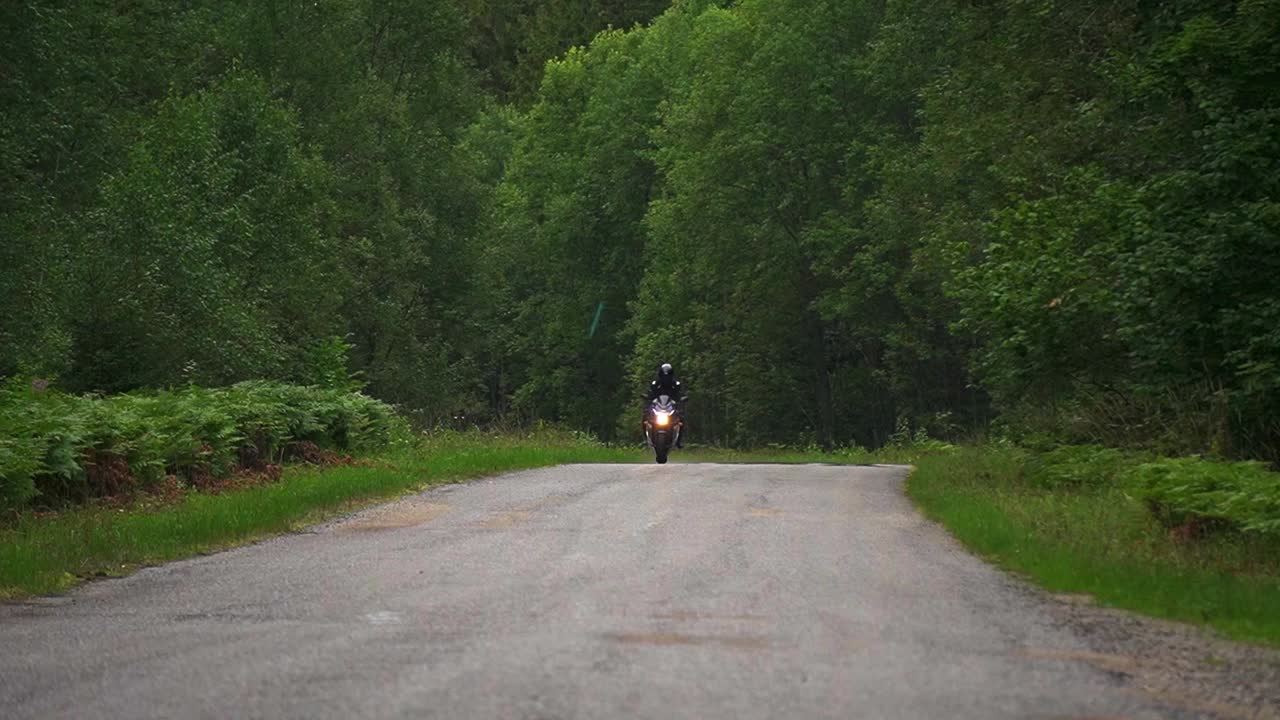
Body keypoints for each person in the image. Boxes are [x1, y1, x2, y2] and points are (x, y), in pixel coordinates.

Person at [647, 363, 686, 448]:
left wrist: (681, 401)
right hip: (659, 406)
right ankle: (646, 438)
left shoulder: (676, 384)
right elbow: (651, 394)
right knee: (646, 418)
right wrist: (648, 399)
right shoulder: (656, 384)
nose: (666, 378)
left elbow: (679, 395)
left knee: (681, 420)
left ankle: (678, 441)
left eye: (667, 376)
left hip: (671, 406)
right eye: (664, 376)